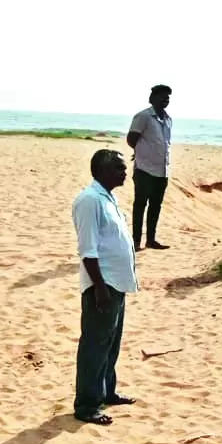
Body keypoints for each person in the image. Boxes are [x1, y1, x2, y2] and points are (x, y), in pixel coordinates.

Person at [71, 149, 139, 426]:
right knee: (95, 345)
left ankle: (106, 391)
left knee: (111, 343)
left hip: (116, 283)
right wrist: (98, 286)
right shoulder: (89, 201)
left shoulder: (109, 198)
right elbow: (87, 250)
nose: (125, 173)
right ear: (102, 171)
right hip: (103, 284)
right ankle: (87, 404)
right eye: (119, 169)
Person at [126, 84, 173, 251]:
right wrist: (140, 152)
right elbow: (132, 138)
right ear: (152, 99)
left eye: (167, 97)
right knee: (140, 205)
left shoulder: (168, 119)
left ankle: (151, 240)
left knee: (156, 206)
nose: (165, 99)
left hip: (162, 170)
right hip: (144, 169)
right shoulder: (143, 116)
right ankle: (136, 241)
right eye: (161, 96)